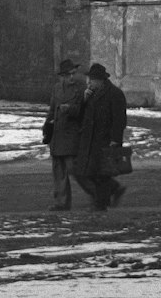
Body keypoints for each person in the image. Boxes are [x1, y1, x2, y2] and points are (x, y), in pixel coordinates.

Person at [71, 62, 128, 211]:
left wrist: (115, 140)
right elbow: (80, 116)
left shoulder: (115, 94)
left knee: (101, 174)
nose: (89, 83)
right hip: (89, 140)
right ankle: (113, 190)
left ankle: (100, 204)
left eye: (92, 80)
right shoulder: (90, 94)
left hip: (105, 141)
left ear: (100, 80)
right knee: (84, 172)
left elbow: (119, 120)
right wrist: (83, 101)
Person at [45, 58, 85, 210]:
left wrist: (69, 109)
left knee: (76, 170)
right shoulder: (56, 89)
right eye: (69, 75)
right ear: (62, 76)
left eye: (73, 74)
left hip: (71, 135)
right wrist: (47, 127)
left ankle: (98, 193)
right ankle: (61, 203)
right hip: (57, 134)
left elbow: (82, 111)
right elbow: (52, 110)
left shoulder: (80, 89)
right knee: (59, 171)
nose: (72, 77)